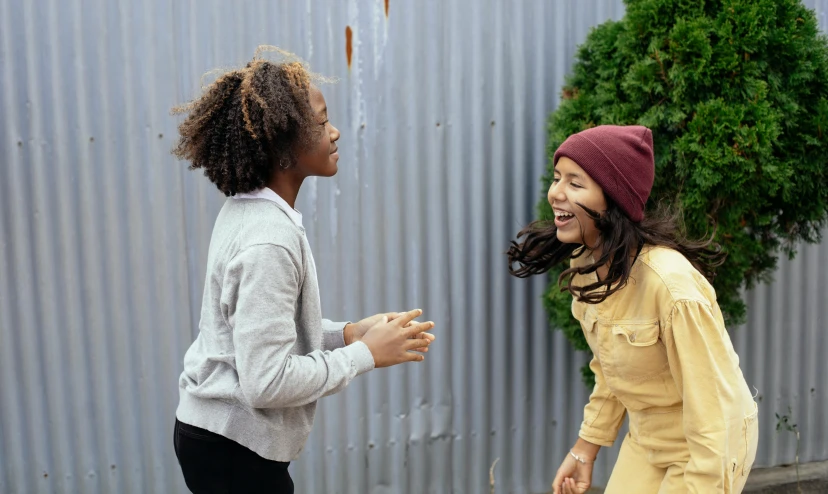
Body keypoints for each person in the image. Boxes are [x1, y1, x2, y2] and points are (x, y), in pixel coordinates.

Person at [170, 47, 436, 493]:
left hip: (218, 437)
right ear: (281, 147)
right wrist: (366, 355)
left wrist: (349, 333)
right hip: (234, 450)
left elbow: (256, 338)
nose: (335, 133)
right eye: (320, 121)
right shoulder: (268, 241)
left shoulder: (247, 212)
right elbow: (267, 382)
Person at [507, 125, 758, 493]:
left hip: (709, 444)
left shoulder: (671, 286)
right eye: (557, 177)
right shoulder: (585, 268)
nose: (556, 193)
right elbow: (612, 370)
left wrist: (704, 484)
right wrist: (583, 451)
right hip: (648, 439)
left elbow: (713, 411)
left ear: (613, 199)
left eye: (576, 184)